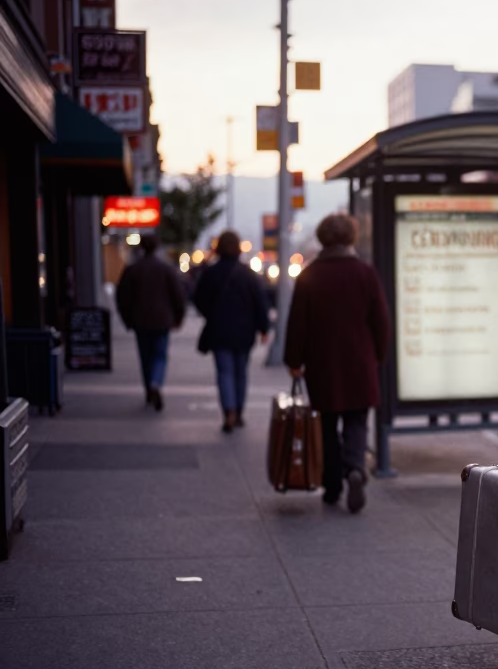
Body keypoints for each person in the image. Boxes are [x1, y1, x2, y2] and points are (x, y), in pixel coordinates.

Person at [284, 214, 390, 513]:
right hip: (360, 362)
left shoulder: (309, 275)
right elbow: (381, 321)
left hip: (322, 364)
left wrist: (294, 360)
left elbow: (297, 324)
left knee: (327, 425)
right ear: (351, 238)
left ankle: (332, 486)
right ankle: (355, 468)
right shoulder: (365, 273)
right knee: (356, 421)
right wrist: (378, 355)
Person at [193, 231, 271, 433]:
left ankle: (229, 410)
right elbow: (260, 303)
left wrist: (211, 313)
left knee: (224, 372)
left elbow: (198, 298)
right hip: (244, 331)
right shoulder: (248, 274)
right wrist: (263, 328)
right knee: (240, 372)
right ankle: (239, 411)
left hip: (219, 330)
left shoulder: (211, 273)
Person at [115, 234, 186, 411]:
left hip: (140, 320)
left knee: (145, 356)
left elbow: (122, 297)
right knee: (160, 355)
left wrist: (127, 319)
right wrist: (178, 318)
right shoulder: (166, 269)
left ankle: (149, 388)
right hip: (162, 320)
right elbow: (178, 296)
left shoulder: (133, 269)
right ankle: (156, 383)